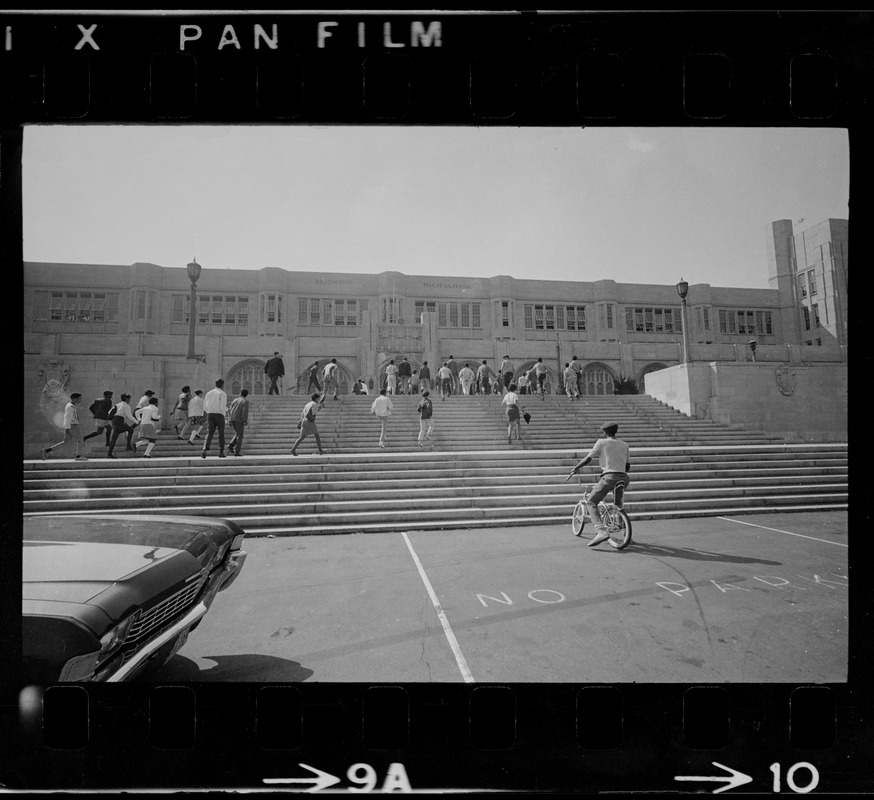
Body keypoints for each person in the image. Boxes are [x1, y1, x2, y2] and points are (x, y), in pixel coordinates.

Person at [570, 422, 631, 548]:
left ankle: (601, 530)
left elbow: (588, 458)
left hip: (609, 477)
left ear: (605, 432)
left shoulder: (601, 442)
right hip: (624, 477)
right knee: (618, 504)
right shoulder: (625, 445)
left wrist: (576, 467)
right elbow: (627, 466)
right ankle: (623, 527)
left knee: (591, 502)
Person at [43, 392, 87, 460]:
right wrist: (67, 429)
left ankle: (47, 450)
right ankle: (79, 456)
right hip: (73, 425)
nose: (80, 400)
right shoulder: (70, 407)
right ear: (74, 399)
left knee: (66, 442)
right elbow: (67, 418)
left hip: (71, 426)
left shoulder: (71, 405)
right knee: (80, 440)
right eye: (79, 398)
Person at [201, 378, 228, 458]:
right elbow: (222, 407)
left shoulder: (209, 393)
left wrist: (209, 411)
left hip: (210, 414)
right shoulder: (222, 393)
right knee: (221, 433)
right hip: (219, 414)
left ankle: (205, 449)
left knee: (209, 432)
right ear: (222, 385)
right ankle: (221, 452)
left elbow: (205, 406)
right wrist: (227, 409)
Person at [106, 393, 138, 458]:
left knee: (114, 438)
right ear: (126, 399)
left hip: (115, 420)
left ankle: (109, 454)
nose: (129, 400)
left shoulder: (117, 404)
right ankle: (128, 446)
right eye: (129, 399)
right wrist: (137, 422)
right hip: (119, 420)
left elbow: (109, 412)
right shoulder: (126, 405)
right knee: (130, 430)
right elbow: (130, 416)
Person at [227, 389, 250, 456]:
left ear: (240, 393)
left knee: (238, 433)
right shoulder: (245, 401)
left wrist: (229, 419)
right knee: (240, 435)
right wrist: (245, 421)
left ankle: (230, 445)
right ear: (247, 395)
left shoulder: (235, 400)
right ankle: (237, 451)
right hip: (239, 419)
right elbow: (244, 412)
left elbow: (230, 410)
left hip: (232, 418)